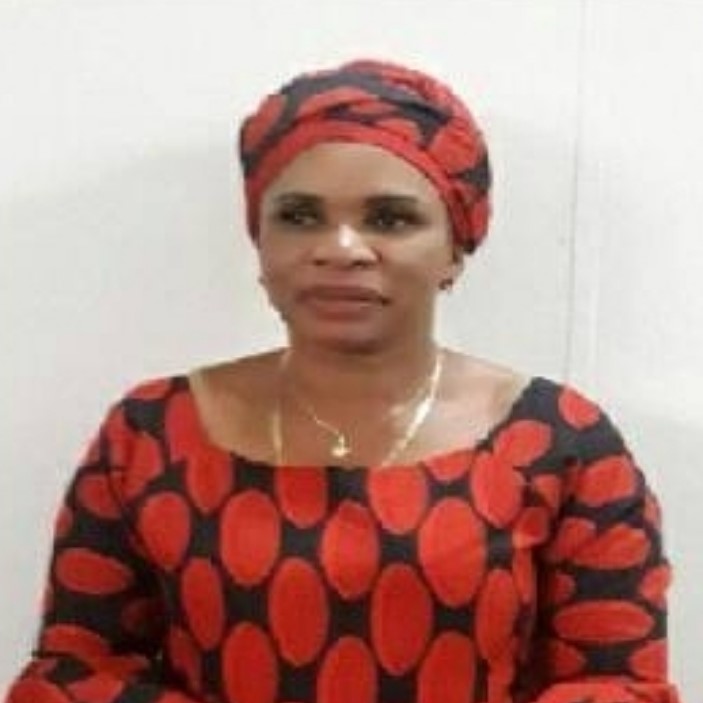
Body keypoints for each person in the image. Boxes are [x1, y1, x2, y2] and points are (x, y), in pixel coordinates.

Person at [5, 59, 680, 703]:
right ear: (260, 241)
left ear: (455, 246)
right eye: (300, 216)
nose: (340, 248)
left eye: (390, 218)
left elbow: (616, 683)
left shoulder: (559, 445)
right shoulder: (152, 435)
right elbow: (77, 674)